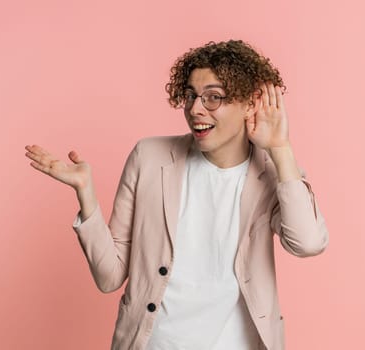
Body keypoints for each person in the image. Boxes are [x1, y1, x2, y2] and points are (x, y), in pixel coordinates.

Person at [24, 39, 329, 350]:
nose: (196, 109)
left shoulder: (274, 171)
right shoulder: (149, 157)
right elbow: (109, 277)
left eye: (214, 97)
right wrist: (86, 194)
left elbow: (307, 243)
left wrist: (280, 148)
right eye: (191, 96)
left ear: (250, 103)